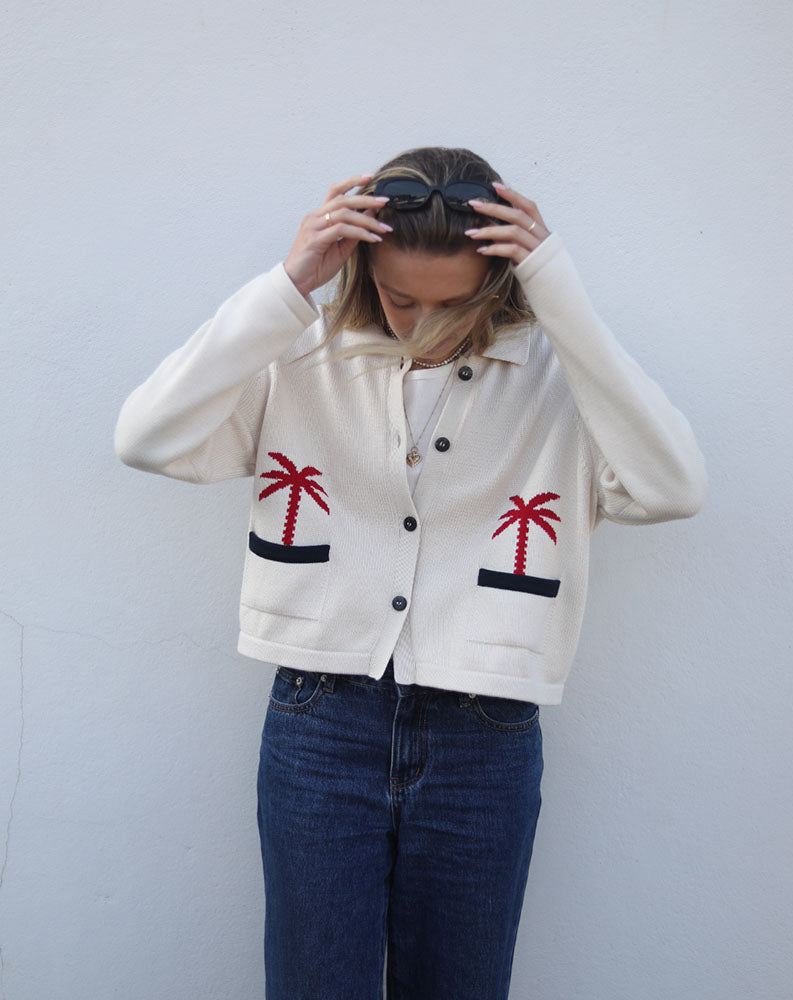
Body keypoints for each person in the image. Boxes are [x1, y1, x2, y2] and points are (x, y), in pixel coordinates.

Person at [114, 145, 707, 999]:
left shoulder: (556, 378)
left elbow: (673, 488)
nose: (425, 324)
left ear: (501, 284)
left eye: (454, 304)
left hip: (485, 736)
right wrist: (290, 284)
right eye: (401, 299)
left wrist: (559, 292)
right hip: (321, 720)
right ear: (362, 270)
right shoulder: (303, 354)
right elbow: (145, 437)